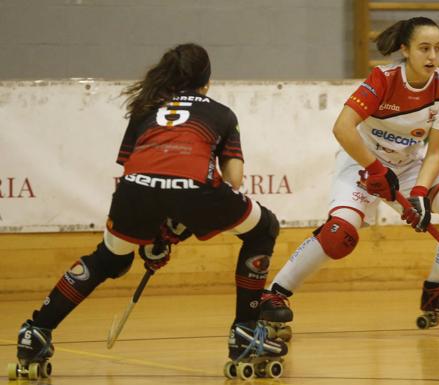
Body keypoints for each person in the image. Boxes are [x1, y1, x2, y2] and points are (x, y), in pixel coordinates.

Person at [12, 43, 286, 379]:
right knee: (263, 229)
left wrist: (155, 237)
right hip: (195, 188)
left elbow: (143, 172)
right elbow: (233, 179)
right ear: (207, 81)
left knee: (109, 259)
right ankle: (245, 332)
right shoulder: (222, 114)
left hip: (133, 188)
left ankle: (35, 332)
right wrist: (176, 226)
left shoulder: (144, 109)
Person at [259, 17, 439, 335]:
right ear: (405, 50)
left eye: (438, 49)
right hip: (360, 165)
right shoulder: (384, 79)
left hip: (407, 168)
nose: (432, 57)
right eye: (424, 49)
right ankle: (274, 295)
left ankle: (438, 291)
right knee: (339, 235)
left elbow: (435, 152)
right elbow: (342, 128)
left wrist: (420, 191)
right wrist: (377, 169)